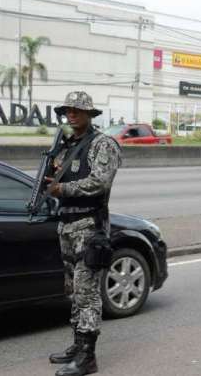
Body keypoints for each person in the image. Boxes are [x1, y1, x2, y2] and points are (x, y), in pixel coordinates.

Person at [44, 91, 123, 376]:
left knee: (88, 293)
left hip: (90, 228)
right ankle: (77, 346)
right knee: (74, 291)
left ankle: (88, 357)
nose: (72, 114)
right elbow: (58, 178)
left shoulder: (103, 144)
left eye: (78, 110)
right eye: (69, 110)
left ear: (90, 114)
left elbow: (99, 182)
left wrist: (62, 189)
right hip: (66, 226)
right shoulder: (67, 145)